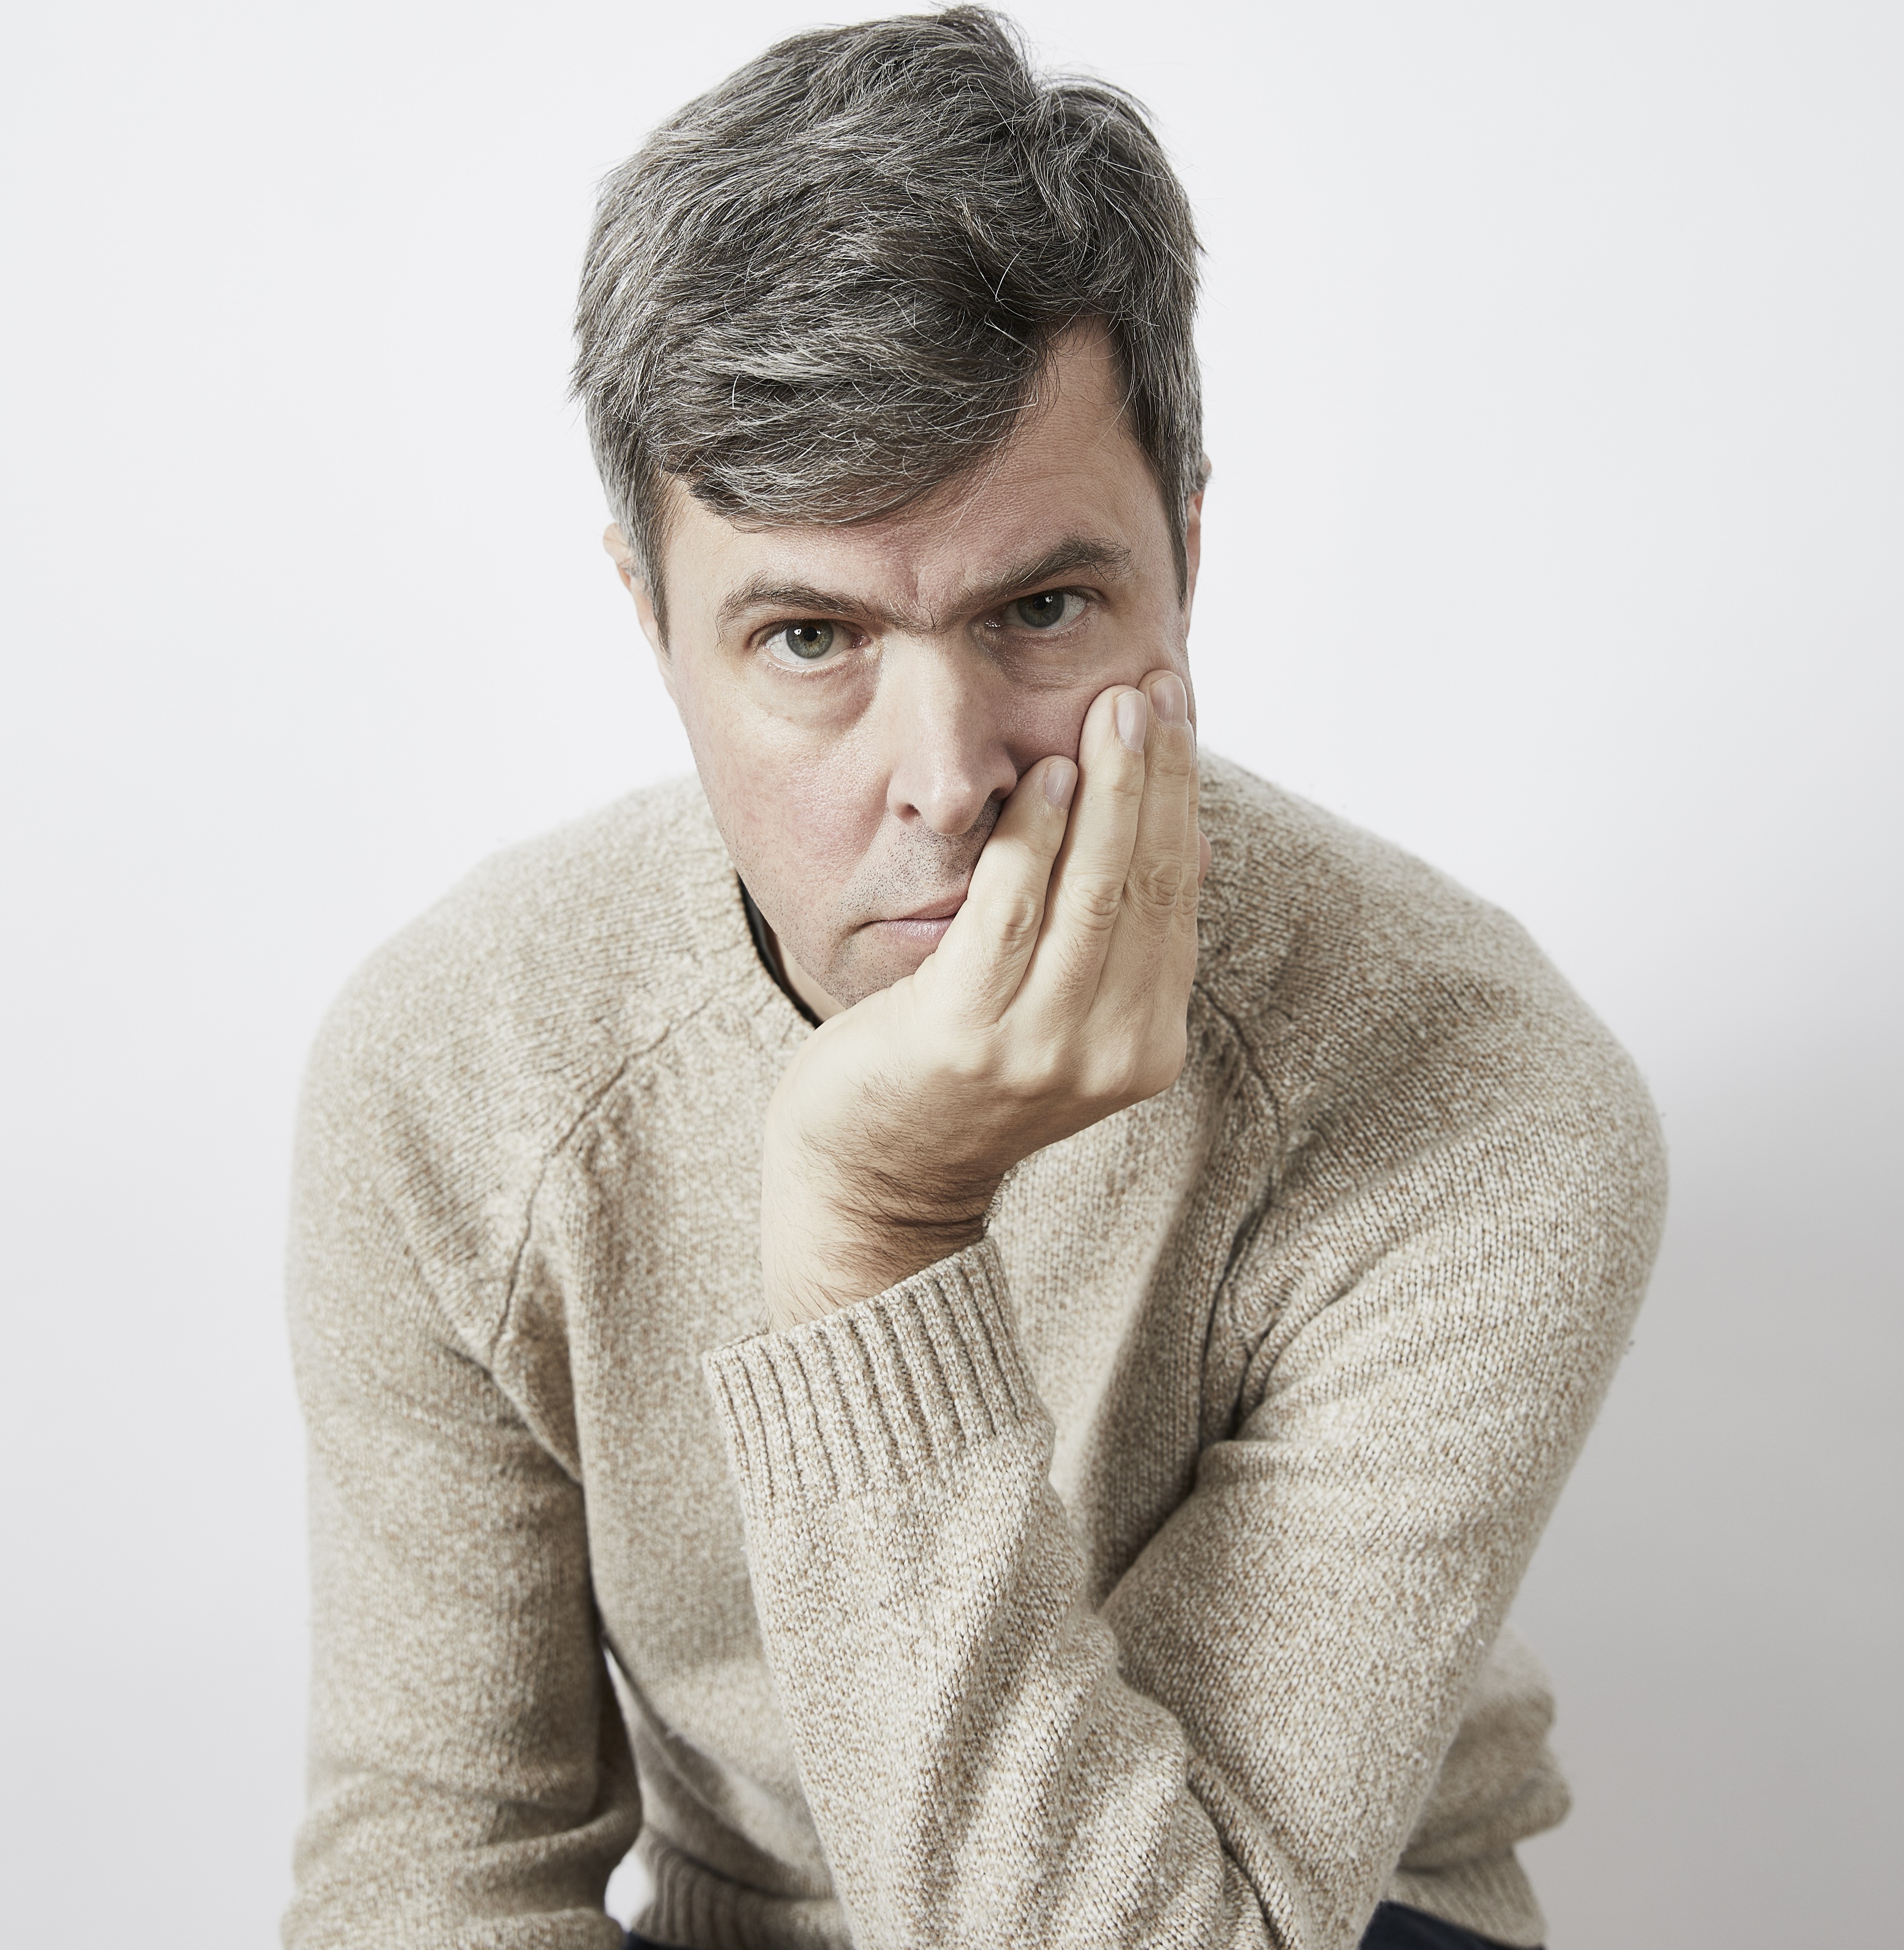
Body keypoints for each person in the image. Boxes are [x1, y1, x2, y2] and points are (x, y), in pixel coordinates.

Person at [282, 11, 1665, 1949]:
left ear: (1183, 556)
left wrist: (876, 1226)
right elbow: (438, 1873)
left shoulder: (1477, 1095)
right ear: (650, 620)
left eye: (1041, 607)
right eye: (807, 634)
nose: (944, 777)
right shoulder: (457, 1070)